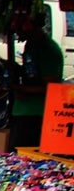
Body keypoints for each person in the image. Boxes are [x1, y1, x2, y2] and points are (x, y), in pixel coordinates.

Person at [10, 12, 65, 148]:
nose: (16, 33)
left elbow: (51, 87)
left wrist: (18, 88)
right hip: (23, 111)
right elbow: (31, 74)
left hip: (36, 115)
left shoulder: (48, 50)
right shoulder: (30, 45)